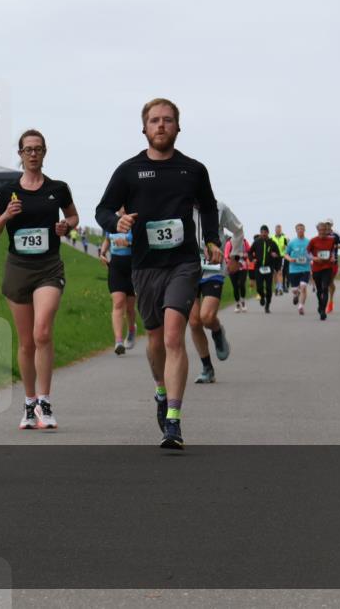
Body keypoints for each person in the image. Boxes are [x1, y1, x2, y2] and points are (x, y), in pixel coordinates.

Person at [95, 98, 220, 450]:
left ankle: (174, 422)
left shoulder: (193, 170)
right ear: (145, 128)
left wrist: (210, 239)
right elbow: (102, 208)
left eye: (167, 120)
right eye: (154, 120)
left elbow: (208, 207)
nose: (161, 125)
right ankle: (161, 392)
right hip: (145, 265)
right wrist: (115, 221)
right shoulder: (129, 170)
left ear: (178, 127)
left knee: (172, 337)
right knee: (154, 341)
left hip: (183, 264)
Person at [0, 129, 78, 430]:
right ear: (20, 154)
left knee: (42, 333)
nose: (33, 154)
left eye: (38, 149)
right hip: (18, 268)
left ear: (45, 152)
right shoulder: (8, 191)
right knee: (26, 342)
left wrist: (66, 226)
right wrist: (6, 216)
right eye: (28, 149)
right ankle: (28, 403)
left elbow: (74, 217)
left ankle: (45, 400)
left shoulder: (58, 188)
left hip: (49, 267)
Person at [189, 202, 242, 383]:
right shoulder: (179, 204)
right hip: (187, 269)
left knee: (207, 317)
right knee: (194, 322)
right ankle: (207, 368)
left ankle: (217, 331)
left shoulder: (219, 207)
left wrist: (235, 256)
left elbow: (238, 230)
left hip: (213, 268)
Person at [99, 219, 137, 355]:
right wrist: (102, 253)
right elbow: (107, 240)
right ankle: (118, 341)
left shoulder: (135, 221)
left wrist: (129, 243)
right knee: (118, 302)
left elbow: (143, 243)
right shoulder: (113, 221)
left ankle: (132, 330)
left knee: (130, 307)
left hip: (133, 267)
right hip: (115, 267)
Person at [307, 221, 337, 320]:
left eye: (325, 230)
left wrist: (332, 257)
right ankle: (320, 305)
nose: (323, 232)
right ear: (318, 230)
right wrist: (314, 258)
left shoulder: (331, 240)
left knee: (325, 288)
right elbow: (307, 253)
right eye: (321, 230)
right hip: (316, 268)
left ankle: (323, 311)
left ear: (327, 230)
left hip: (327, 267)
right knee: (319, 290)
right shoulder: (313, 241)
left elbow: (332, 251)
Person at [249, 225, 282, 313]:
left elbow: (278, 255)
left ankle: (267, 305)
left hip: (269, 268)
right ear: (260, 233)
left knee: (268, 288)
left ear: (268, 233)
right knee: (259, 287)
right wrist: (253, 259)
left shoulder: (272, 243)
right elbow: (250, 252)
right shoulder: (256, 242)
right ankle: (262, 296)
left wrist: (276, 259)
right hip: (259, 268)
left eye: (265, 232)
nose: (263, 234)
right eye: (262, 232)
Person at [283, 223, 311, 315]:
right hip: (294, 269)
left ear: (304, 230)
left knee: (303, 287)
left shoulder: (308, 242)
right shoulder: (292, 242)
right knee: (295, 289)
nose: (300, 230)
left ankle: (301, 306)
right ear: (296, 231)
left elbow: (313, 254)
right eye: (298, 229)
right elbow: (285, 254)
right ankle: (296, 294)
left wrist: (311, 259)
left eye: (302, 229)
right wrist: (290, 259)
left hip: (305, 268)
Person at [325, 219, 340, 312]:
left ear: (332, 225)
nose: (327, 226)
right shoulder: (321, 234)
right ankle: (324, 302)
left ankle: (331, 301)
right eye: (326, 224)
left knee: (329, 282)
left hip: (333, 261)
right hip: (323, 261)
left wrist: (336, 246)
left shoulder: (336, 235)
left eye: (329, 224)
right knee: (324, 282)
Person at [225, 235, 250, 312]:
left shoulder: (245, 242)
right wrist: (229, 262)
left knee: (241, 284)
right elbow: (226, 255)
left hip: (243, 266)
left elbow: (249, 252)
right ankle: (237, 304)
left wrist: (246, 255)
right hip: (233, 267)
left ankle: (242, 301)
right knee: (235, 286)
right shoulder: (229, 243)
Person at [273, 224, 289, 296]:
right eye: (277, 229)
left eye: (279, 229)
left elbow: (287, 246)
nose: (278, 230)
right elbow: (269, 247)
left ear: (281, 230)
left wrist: (285, 246)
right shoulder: (272, 237)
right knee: (274, 273)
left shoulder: (284, 237)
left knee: (280, 272)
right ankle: (276, 286)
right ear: (275, 230)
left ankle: (280, 287)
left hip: (281, 256)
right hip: (273, 257)